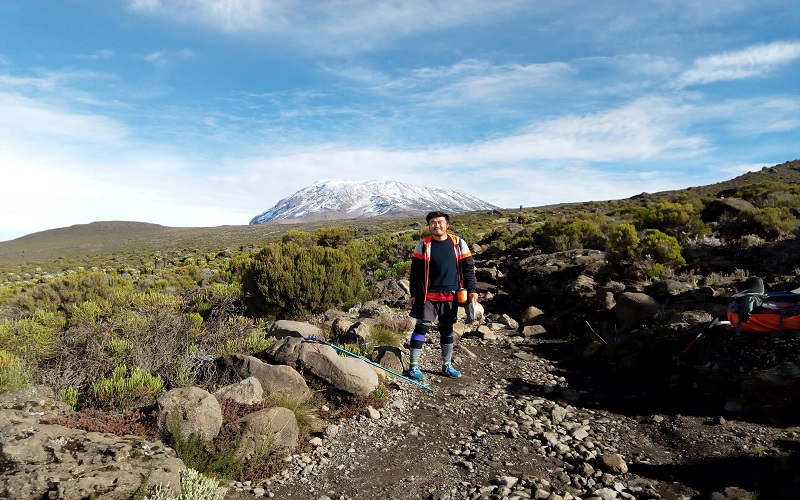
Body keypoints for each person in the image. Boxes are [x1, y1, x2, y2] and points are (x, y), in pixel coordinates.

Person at [407, 210, 478, 380]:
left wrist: (472, 290)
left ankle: (447, 365)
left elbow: (468, 268)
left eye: (440, 222)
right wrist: (413, 294)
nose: (436, 225)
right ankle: (413, 366)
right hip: (427, 295)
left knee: (446, 329)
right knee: (421, 327)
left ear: (447, 225)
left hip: (451, 294)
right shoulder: (423, 245)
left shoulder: (458, 243)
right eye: (433, 222)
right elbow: (415, 272)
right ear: (429, 225)